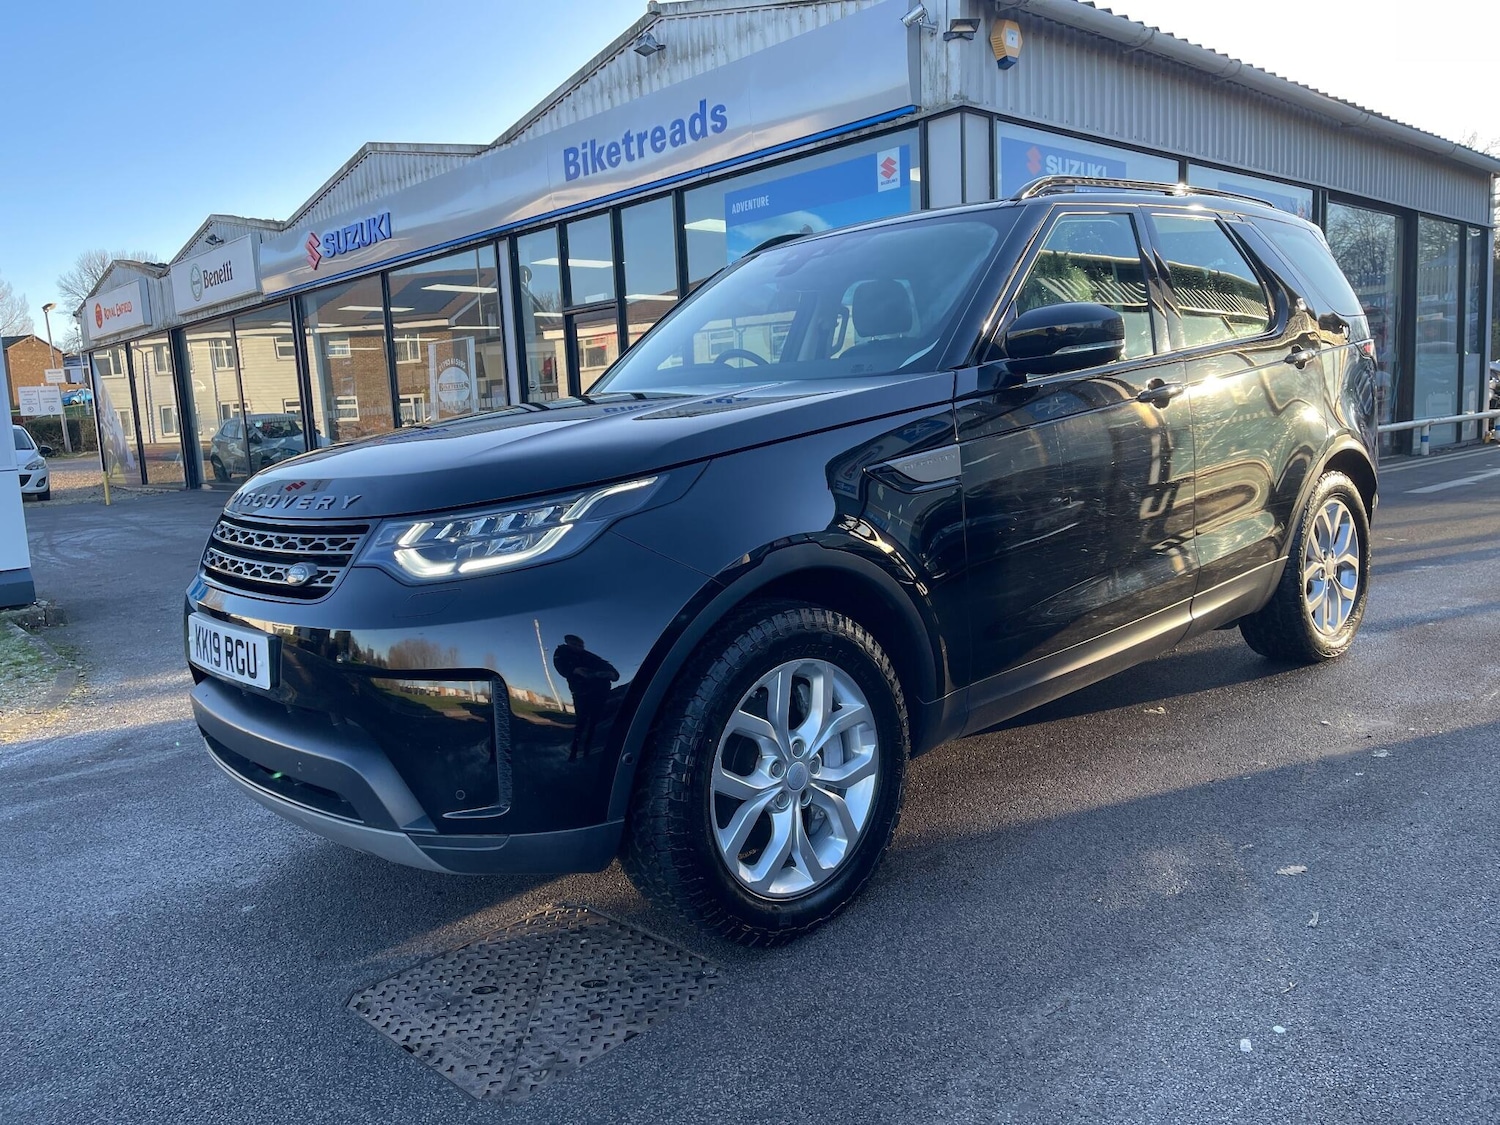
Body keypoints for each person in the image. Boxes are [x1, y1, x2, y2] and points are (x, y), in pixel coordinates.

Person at [551, 635, 619, 760]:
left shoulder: (591, 657)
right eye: (574, 644)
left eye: (580, 645)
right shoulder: (562, 654)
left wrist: (610, 674)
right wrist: (575, 670)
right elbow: (561, 667)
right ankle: (574, 751)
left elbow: (614, 673)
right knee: (581, 722)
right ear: (567, 643)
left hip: (599, 694)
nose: (578, 647)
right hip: (581, 694)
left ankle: (588, 750)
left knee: (594, 722)